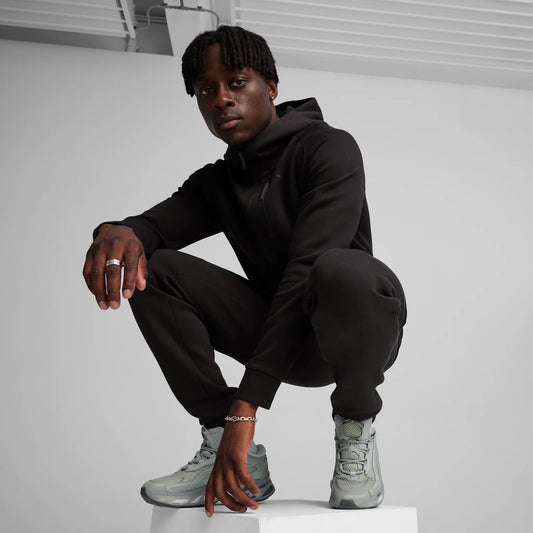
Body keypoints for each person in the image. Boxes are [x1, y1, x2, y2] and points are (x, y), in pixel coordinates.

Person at [83, 25, 407, 515]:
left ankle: (355, 430)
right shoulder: (218, 183)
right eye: (205, 90)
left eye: (236, 83)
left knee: (339, 269)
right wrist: (113, 231)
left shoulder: (329, 148)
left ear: (270, 86)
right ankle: (227, 447)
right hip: (279, 339)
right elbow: (149, 227)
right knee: (155, 267)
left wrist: (246, 406)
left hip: (349, 336)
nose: (221, 100)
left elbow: (305, 271)